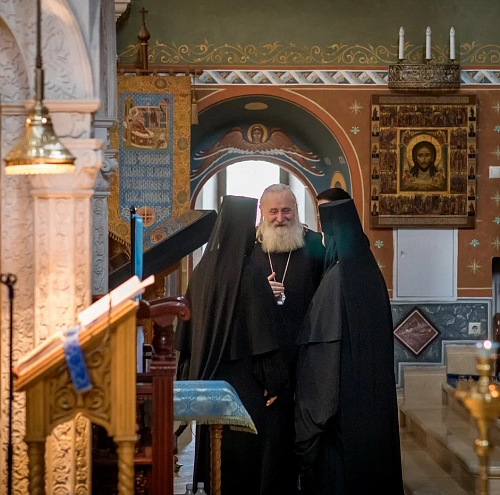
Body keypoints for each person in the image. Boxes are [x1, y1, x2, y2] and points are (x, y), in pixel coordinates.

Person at [174, 195, 289, 495]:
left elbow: (187, 336)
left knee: (214, 461)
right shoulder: (249, 274)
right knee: (242, 466)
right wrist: (274, 383)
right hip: (243, 387)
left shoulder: (202, 271)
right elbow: (263, 339)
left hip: (208, 382)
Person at [295, 189, 404, 495]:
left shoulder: (337, 277)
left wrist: (310, 417)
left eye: (324, 224)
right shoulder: (367, 269)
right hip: (370, 405)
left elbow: (323, 353)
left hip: (341, 414)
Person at [252, 183, 325, 493]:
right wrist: (260, 291)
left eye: (286, 211)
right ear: (262, 213)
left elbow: (328, 295)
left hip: (308, 355)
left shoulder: (315, 245)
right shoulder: (250, 247)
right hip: (266, 357)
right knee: (271, 438)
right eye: (273, 212)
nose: (280, 218)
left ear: (296, 210)